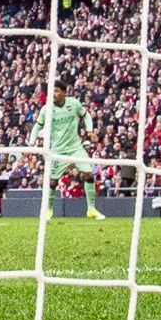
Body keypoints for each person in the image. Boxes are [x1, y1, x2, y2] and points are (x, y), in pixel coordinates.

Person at [29, 83, 105, 221]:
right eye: (52, 91)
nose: (54, 94)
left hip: (75, 148)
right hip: (58, 151)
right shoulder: (46, 109)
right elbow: (37, 126)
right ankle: (49, 210)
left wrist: (89, 131)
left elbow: (86, 116)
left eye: (57, 91)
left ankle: (91, 209)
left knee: (88, 174)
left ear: (64, 92)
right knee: (52, 182)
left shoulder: (74, 104)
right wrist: (31, 142)